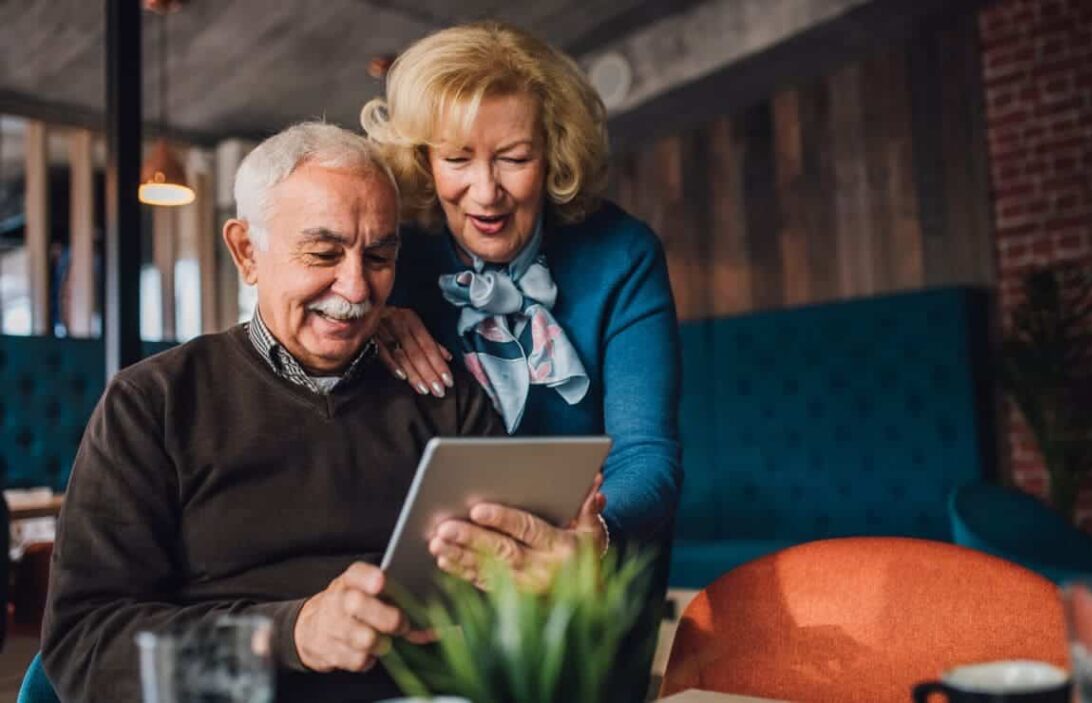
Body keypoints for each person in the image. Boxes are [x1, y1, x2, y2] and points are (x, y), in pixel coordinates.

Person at [40, 123, 525, 703]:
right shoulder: (153, 405)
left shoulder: (445, 398)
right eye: (323, 252)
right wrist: (289, 634)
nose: (355, 287)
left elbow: (508, 612)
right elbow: (85, 647)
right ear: (247, 251)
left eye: (378, 257)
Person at [360, 21, 682, 585]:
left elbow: (646, 452)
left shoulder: (621, 254)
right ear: (422, 159)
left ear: (554, 153)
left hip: (587, 577)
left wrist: (593, 544)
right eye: (457, 159)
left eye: (513, 158)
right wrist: (369, 317)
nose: (486, 192)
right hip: (439, 580)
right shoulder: (391, 260)